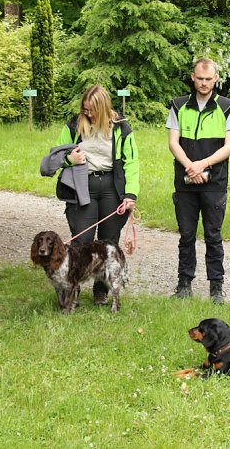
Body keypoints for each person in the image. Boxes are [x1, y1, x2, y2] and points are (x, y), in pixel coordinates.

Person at [41, 85, 139, 305]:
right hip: (82, 185)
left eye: (92, 110)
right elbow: (56, 155)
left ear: (103, 108)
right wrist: (70, 160)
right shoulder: (74, 126)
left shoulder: (121, 127)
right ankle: (71, 291)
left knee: (108, 242)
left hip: (112, 187)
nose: (88, 114)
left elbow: (132, 162)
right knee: (81, 241)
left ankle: (101, 291)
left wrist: (130, 193)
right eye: (85, 110)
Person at [167, 58, 230, 304]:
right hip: (184, 182)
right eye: (200, 79)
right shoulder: (178, 106)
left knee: (213, 235)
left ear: (216, 79)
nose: (204, 83)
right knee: (186, 234)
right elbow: (173, 142)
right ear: (193, 77)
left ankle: (216, 286)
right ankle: (184, 283)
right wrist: (190, 165)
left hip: (215, 182)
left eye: (209, 79)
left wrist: (202, 164)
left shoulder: (227, 107)